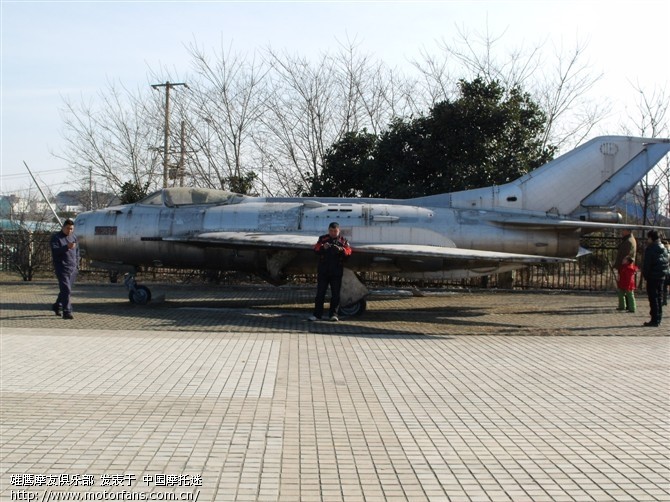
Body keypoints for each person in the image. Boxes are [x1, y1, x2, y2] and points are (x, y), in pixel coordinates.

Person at [309, 222, 352, 322]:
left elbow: (349, 252)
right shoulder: (323, 239)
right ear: (328, 230)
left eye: (335, 231)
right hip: (324, 271)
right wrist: (323, 248)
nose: (333, 233)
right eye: (331, 231)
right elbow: (315, 249)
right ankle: (317, 315)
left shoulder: (343, 241)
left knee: (335, 295)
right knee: (320, 294)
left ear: (338, 231)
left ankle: (333, 315)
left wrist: (341, 250)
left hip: (336, 272)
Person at [50, 218, 79, 320]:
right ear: (63, 227)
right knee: (66, 289)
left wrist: (77, 265)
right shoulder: (56, 238)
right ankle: (67, 311)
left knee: (65, 290)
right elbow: (55, 251)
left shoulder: (74, 237)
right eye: (67, 228)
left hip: (72, 268)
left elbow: (77, 252)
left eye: (71, 229)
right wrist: (66, 247)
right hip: (61, 267)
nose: (69, 231)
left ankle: (57, 305)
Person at [641, 230, 669, 327]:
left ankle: (654, 319)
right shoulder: (664, 248)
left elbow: (647, 264)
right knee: (659, 297)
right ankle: (658, 318)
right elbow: (666, 262)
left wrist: (645, 275)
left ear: (651, 238)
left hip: (652, 277)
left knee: (653, 298)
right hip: (661, 276)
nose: (647, 239)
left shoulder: (651, 249)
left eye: (648, 237)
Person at [663, 240, 670, 306]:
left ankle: (664, 300)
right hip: (668, 271)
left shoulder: (664, 252)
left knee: (664, 286)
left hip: (666, 271)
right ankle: (665, 300)